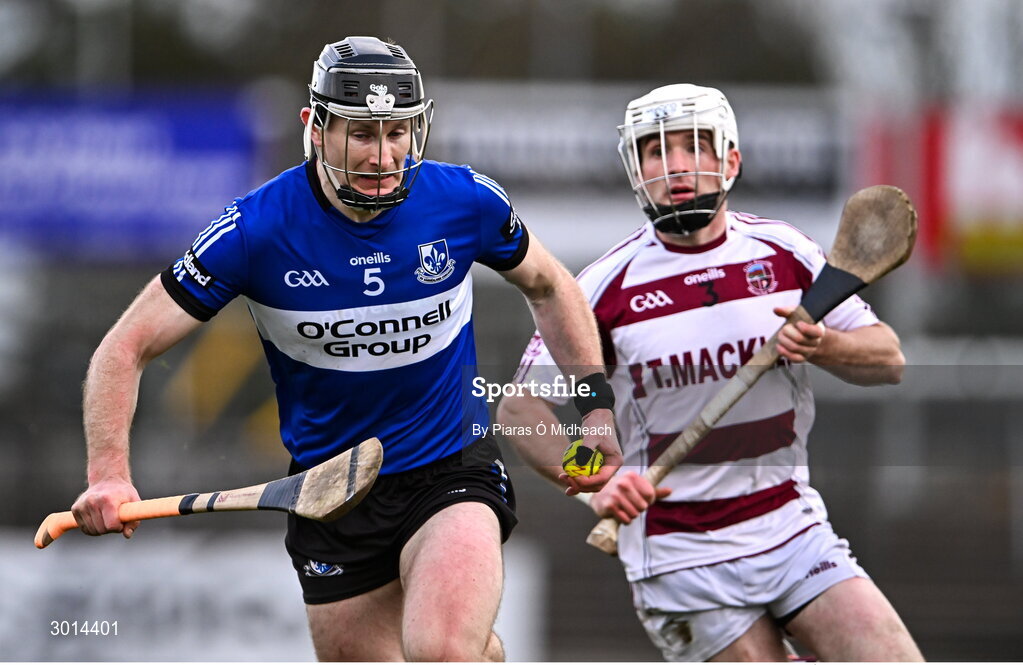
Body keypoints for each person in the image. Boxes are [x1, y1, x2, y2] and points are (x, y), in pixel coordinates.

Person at [70, 36, 622, 662]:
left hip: (450, 467)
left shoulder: (465, 201)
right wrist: (109, 476)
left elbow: (553, 287)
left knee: (440, 650)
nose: (384, 155)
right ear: (315, 126)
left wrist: (595, 409)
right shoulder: (254, 230)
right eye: (362, 133)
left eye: (398, 132)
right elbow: (126, 346)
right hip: (326, 494)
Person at [496, 84, 923, 662]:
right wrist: (595, 477)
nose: (674, 165)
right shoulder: (600, 290)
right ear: (634, 166)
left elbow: (888, 358)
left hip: (792, 527)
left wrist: (824, 346)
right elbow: (520, 410)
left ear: (730, 160)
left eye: (693, 146)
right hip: (679, 555)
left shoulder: (785, 252)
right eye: (654, 150)